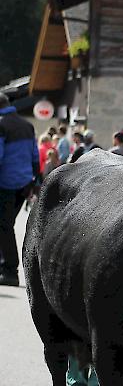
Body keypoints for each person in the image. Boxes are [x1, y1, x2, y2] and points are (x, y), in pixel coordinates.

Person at [0, 92, 39, 286]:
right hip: (24, 184)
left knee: (4, 226)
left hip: (5, 183)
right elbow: (35, 155)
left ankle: (10, 270)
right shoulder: (28, 125)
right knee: (6, 225)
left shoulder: (1, 125)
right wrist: (35, 180)